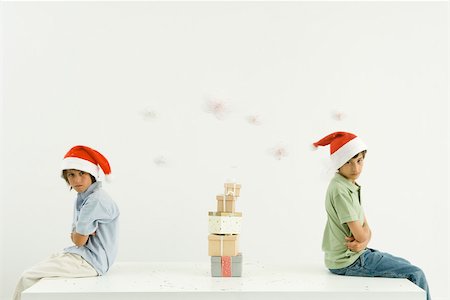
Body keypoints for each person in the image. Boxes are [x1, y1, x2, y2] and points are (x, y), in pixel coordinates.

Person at [313, 131, 431, 300]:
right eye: (348, 162)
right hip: (348, 261)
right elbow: (361, 234)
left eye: (359, 161)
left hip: (355, 254)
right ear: (338, 164)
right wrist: (364, 239)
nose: (356, 168)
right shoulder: (340, 190)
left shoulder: (348, 184)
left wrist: (364, 241)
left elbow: (364, 227)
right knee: (415, 274)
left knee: (407, 265)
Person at [13, 145, 119, 300]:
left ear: (92, 174)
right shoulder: (84, 196)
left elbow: (79, 241)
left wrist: (79, 234)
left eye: (82, 173)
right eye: (71, 174)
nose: (76, 180)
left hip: (91, 261)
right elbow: (77, 238)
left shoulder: (95, 200)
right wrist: (80, 233)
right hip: (82, 255)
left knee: (27, 277)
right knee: (40, 270)